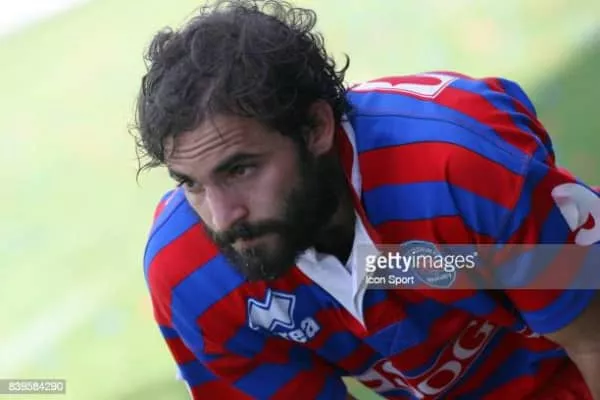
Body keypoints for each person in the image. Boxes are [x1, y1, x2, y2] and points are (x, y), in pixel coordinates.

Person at [133, 0, 600, 399]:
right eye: (191, 184)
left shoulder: (457, 168)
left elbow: (592, 338)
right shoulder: (190, 276)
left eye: (240, 169)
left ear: (316, 128)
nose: (222, 218)